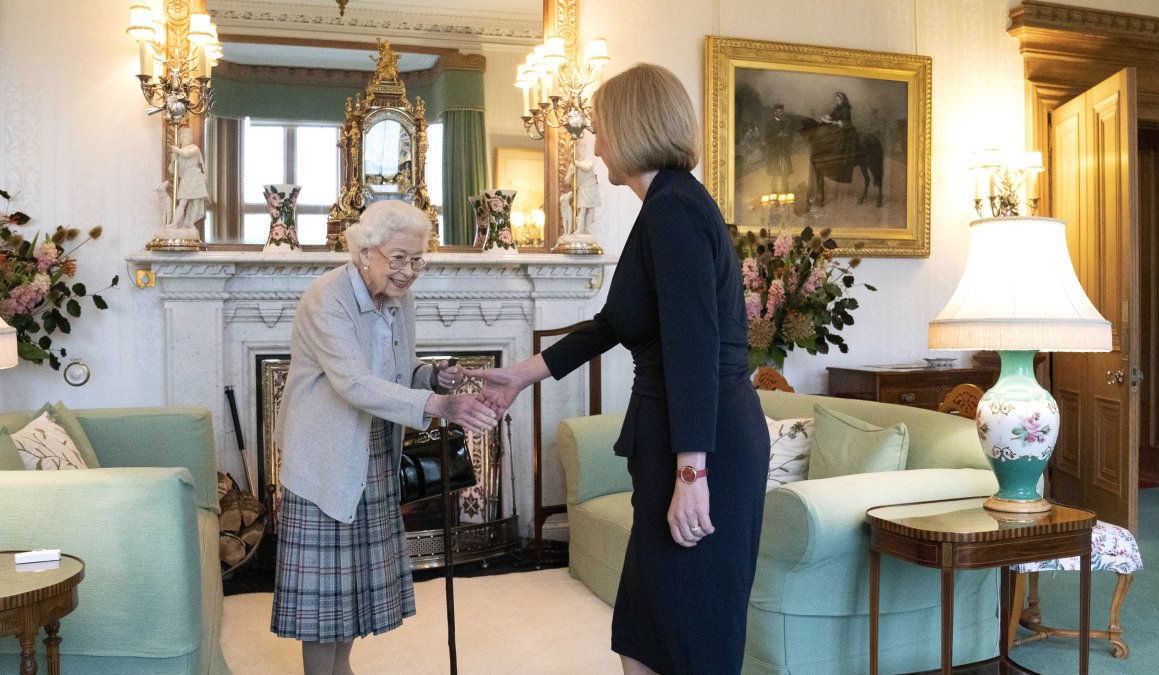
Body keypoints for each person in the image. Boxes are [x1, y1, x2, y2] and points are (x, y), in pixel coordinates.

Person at [474, 63, 769, 675]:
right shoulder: (664, 204)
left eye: (602, 127)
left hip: (703, 443)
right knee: (644, 626)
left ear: (634, 128)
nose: (597, 142)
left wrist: (692, 471)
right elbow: (616, 322)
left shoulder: (673, 209)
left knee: (689, 634)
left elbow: (693, 346)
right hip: (678, 436)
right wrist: (522, 374)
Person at [269, 199, 498, 675]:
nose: (408, 271)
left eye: (417, 260)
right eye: (398, 258)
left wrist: (431, 377)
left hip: (374, 450)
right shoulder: (326, 298)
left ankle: (341, 670)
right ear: (364, 252)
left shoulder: (398, 299)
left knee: (352, 588)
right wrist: (438, 406)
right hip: (325, 456)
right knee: (325, 601)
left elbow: (396, 371)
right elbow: (353, 383)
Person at [170, 127, 208, 230]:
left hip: (195, 177)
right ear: (180, 138)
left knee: (196, 202)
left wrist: (177, 150)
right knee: (182, 202)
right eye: (184, 136)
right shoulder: (179, 153)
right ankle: (174, 223)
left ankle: (190, 223)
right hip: (186, 178)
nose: (187, 138)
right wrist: (173, 161)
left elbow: (187, 154)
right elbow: (172, 171)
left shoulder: (194, 148)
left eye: (188, 136)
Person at [763, 103, 794, 193]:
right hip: (774, 154)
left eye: (782, 111)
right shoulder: (769, 124)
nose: (781, 113)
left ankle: (786, 194)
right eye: (779, 112)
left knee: (785, 175)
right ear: (774, 113)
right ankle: (774, 195)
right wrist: (777, 136)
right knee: (775, 175)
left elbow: (790, 139)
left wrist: (788, 137)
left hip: (784, 153)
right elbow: (767, 139)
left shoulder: (785, 123)